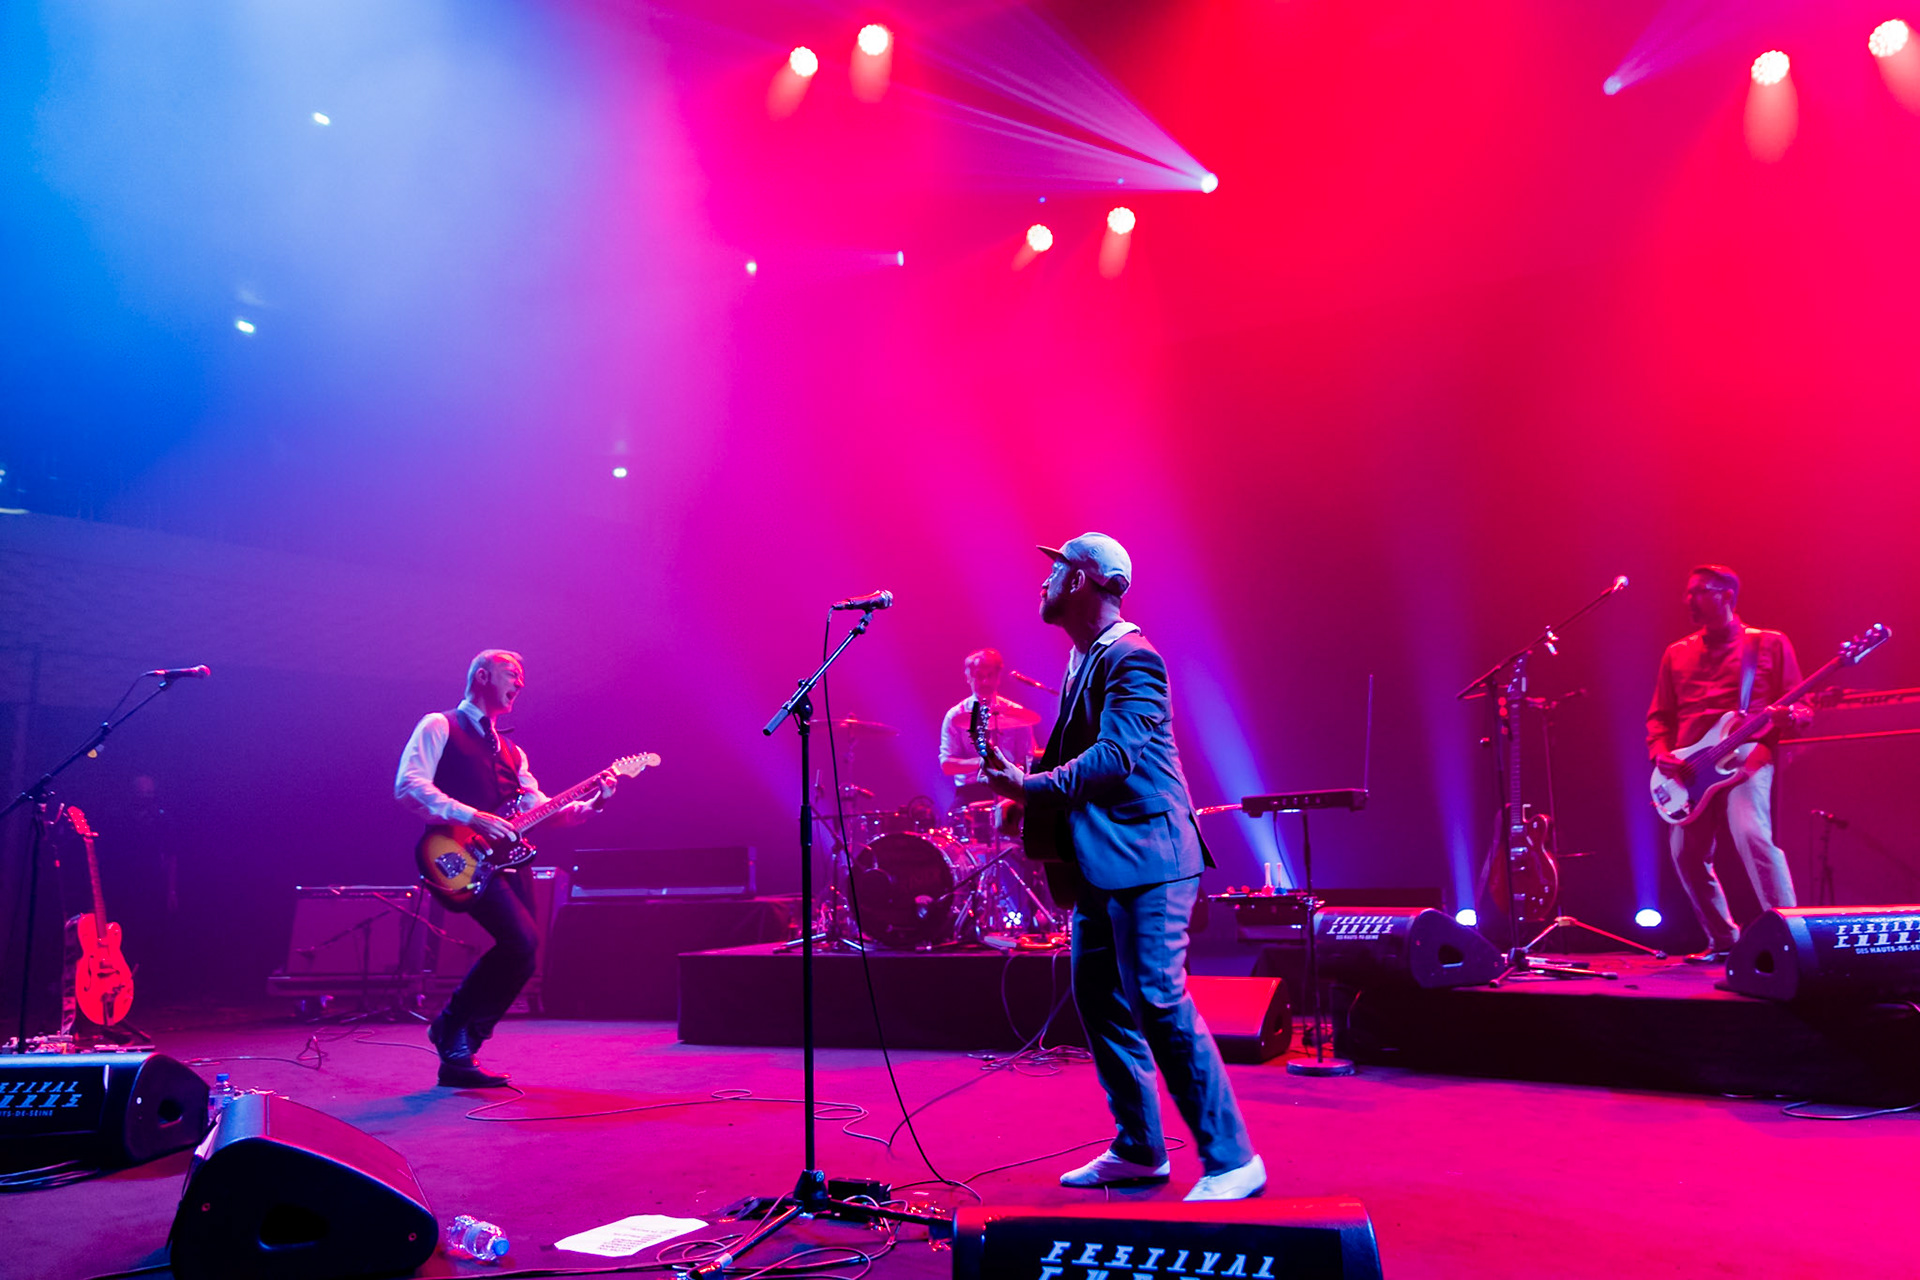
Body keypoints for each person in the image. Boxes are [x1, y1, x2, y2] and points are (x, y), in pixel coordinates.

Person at [983, 533, 1265, 1201]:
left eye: (1055, 571)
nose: (1042, 582)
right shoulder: (1087, 659)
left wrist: (1029, 790)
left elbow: (1116, 758)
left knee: (1159, 1000)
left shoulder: (1134, 660)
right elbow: (1070, 752)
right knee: (1098, 999)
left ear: (1083, 581)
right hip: (1102, 861)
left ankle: (1233, 1160)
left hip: (1151, 858)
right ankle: (1140, 1148)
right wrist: (1023, 795)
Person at [396, 650, 613, 1087]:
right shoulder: (440, 725)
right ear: (482, 675)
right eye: (512, 673)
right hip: (456, 851)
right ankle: (453, 1027)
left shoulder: (512, 752)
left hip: (509, 859)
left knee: (526, 952)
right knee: (521, 939)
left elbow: (541, 811)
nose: (521, 683)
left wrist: (587, 807)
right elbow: (408, 785)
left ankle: (460, 1050)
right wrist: (472, 817)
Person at [1648, 566, 1810, 964]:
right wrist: (1660, 752)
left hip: (1746, 758)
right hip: (1688, 770)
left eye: (1698, 591)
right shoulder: (1677, 652)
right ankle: (1724, 940)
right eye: (1687, 592)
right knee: (1686, 854)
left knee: (1751, 835)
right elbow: (1659, 716)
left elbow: (1801, 706)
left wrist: (1794, 719)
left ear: (1727, 595)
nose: (1688, 600)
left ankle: (1792, 937)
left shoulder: (1768, 643)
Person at [938, 648, 1042, 791]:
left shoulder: (1016, 712)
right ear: (968, 677)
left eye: (990, 675)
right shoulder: (955, 715)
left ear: (998, 678)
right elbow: (947, 765)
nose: (985, 681)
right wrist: (984, 762)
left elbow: (1028, 756)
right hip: (972, 789)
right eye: (979, 676)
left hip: (1010, 785)